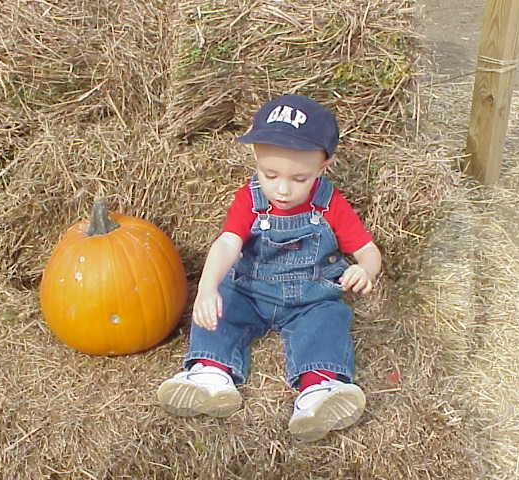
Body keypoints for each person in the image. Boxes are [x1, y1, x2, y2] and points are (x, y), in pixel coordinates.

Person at [157, 93, 382, 442]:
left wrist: (366, 269)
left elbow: (368, 250)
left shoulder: (330, 203)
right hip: (250, 289)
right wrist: (207, 287)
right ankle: (211, 375)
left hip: (310, 295)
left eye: (299, 178)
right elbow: (228, 242)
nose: (282, 189)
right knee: (222, 308)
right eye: (270, 174)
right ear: (256, 158)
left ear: (323, 167)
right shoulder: (250, 198)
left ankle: (318, 389)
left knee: (327, 320)